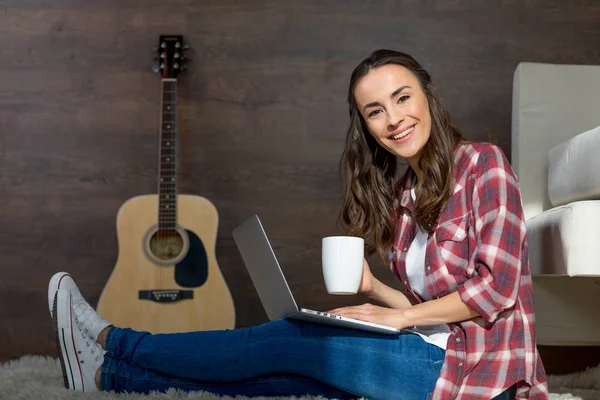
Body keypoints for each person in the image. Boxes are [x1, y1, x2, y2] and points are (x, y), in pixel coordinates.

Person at [48, 49, 549, 400]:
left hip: (481, 378)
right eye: (375, 111)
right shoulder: (403, 197)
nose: (393, 118)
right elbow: (437, 314)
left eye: (402, 98)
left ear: (427, 96)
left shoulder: (483, 164)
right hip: (434, 354)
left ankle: (110, 340)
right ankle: (105, 379)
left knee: (287, 338)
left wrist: (397, 319)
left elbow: (494, 291)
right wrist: (376, 291)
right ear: (366, 127)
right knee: (291, 378)